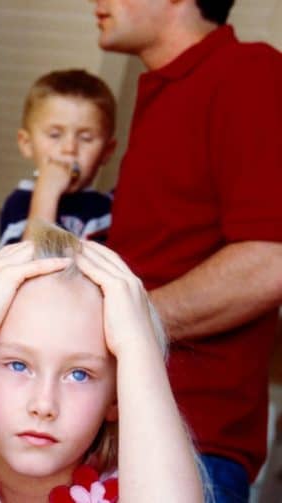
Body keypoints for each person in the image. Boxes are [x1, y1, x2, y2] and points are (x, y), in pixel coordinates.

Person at [90, 0, 282, 500]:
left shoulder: (248, 72)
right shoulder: (160, 93)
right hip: (115, 444)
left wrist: (114, 324)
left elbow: (271, 260)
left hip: (188, 453)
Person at [0, 223, 205, 502]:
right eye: (17, 365)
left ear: (118, 396)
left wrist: (137, 344)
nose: (44, 405)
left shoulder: (130, 488)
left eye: (79, 374)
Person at [0, 69, 116, 248]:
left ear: (107, 151)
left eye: (85, 138)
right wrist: (47, 192)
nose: (69, 148)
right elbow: (32, 267)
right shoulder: (20, 202)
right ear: (27, 143)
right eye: (55, 135)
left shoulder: (110, 207)